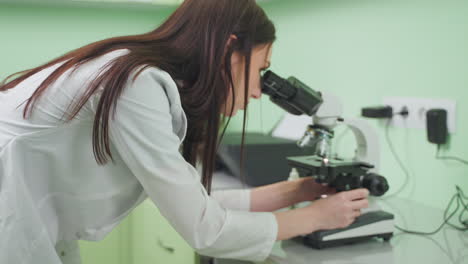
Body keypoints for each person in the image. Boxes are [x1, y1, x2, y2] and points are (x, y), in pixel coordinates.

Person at [0, 0, 370, 263]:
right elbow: (205, 229)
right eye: (260, 69)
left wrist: (293, 192)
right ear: (230, 48)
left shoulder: (149, 85)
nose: (258, 91)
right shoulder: (137, 85)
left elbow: (193, 201)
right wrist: (315, 218)